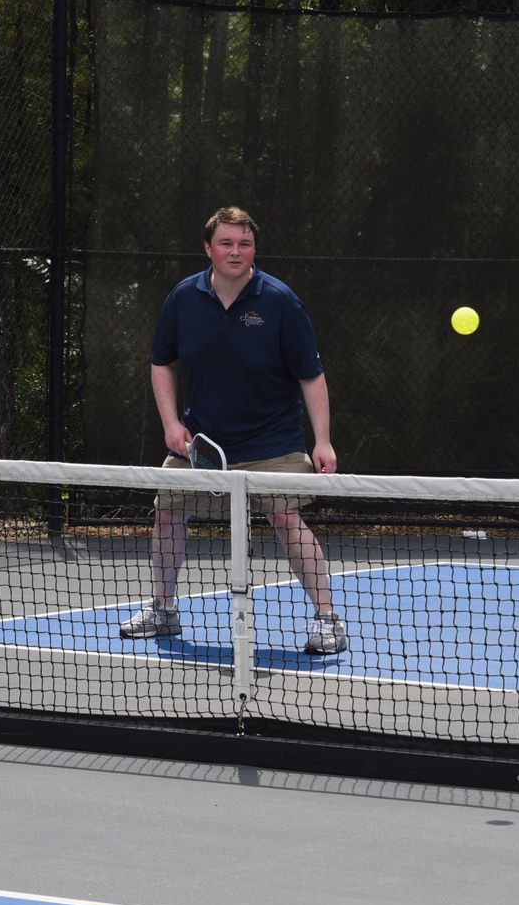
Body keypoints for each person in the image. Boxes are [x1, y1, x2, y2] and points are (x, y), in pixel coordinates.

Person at [119, 206, 348, 655]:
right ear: (208, 248)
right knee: (167, 511)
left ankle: (328, 619)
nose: (235, 252)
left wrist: (322, 440)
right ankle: (163, 611)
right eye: (226, 243)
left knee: (284, 516)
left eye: (244, 243)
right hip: (202, 443)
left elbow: (311, 375)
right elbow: (161, 361)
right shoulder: (183, 299)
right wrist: (171, 424)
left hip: (272, 442)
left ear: (254, 249)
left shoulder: (280, 301)